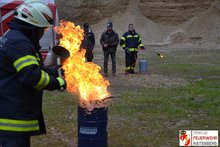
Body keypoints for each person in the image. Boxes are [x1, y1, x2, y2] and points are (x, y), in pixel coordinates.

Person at [0, 1, 66, 146]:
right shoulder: (19, 43)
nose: (43, 32)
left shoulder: (15, 38)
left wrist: (56, 71)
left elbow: (34, 69)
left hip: (11, 113)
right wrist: (59, 83)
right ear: (33, 27)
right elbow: (32, 77)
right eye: (43, 29)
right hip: (11, 121)